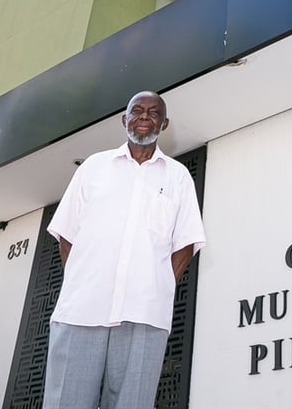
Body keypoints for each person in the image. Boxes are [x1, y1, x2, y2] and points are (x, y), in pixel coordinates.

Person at [43, 90, 206, 409]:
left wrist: (157, 289)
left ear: (164, 123)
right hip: (82, 310)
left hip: (144, 315)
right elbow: (67, 235)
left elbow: (185, 244)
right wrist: (83, 282)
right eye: (137, 110)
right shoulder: (93, 167)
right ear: (124, 119)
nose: (145, 116)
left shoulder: (178, 177)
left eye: (153, 112)